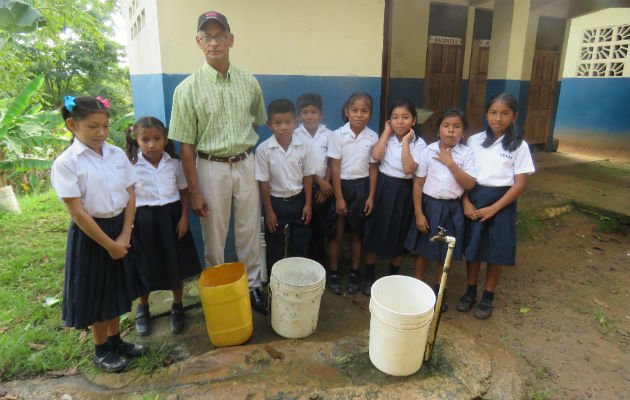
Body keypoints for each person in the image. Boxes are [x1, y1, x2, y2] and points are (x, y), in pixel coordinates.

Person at [168, 11, 268, 314]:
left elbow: (258, 120)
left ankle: (253, 288)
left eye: (220, 35)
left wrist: (241, 148)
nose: (214, 42)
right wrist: (195, 190)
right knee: (214, 234)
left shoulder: (249, 83)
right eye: (207, 36)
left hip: (245, 162)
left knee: (250, 229)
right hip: (210, 166)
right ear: (198, 42)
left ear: (231, 40)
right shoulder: (186, 89)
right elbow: (185, 148)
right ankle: (218, 293)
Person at [51, 95, 147, 373]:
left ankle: (117, 340)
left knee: (118, 288)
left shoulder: (116, 153)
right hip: (92, 234)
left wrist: (126, 235)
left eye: (105, 126)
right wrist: (109, 244)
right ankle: (101, 348)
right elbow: (77, 212)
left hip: (121, 227)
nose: (101, 133)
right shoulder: (67, 163)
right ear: (72, 125)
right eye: (93, 127)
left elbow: (130, 193)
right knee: (98, 292)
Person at [457, 93, 535, 319]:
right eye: (493, 113)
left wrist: (495, 208)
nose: (498, 119)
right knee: (474, 249)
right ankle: (470, 291)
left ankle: (488, 295)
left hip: (502, 202)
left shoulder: (519, 146)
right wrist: (465, 201)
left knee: (496, 251)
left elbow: (519, 184)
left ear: (514, 116)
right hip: (475, 197)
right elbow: (464, 175)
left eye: (504, 113)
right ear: (486, 114)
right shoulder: (474, 141)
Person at [125, 117, 201, 336]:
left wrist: (184, 218)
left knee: (174, 262)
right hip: (144, 220)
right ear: (136, 140)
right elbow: (128, 198)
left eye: (157, 139)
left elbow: (184, 192)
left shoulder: (174, 163)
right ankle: (143, 307)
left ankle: (177, 306)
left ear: (165, 139)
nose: (151, 144)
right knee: (145, 264)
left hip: (172, 216)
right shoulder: (132, 165)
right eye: (145, 139)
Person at [404, 108, 476, 310]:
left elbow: (469, 184)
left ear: (463, 132)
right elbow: (418, 184)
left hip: (453, 208)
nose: (451, 131)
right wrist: (419, 213)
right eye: (446, 126)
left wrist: (450, 163)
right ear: (438, 131)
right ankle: (417, 288)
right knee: (423, 250)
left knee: (445, 252)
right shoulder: (428, 151)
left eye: (456, 126)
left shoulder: (467, 154)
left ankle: (439, 290)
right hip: (429, 205)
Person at [362, 99, 425, 296]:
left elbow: (408, 168)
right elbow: (376, 156)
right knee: (375, 228)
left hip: (404, 190)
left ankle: (393, 277)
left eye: (405, 117)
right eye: (395, 118)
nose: (400, 122)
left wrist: (405, 142)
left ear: (413, 121)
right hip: (384, 186)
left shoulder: (419, 143)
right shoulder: (386, 138)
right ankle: (369, 276)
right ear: (389, 121)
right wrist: (386, 132)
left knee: (399, 231)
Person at [326, 92, 379, 295]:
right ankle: (334, 272)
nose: (359, 115)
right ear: (347, 112)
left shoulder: (373, 137)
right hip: (341, 187)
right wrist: (339, 197)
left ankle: (355, 272)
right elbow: (335, 167)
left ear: (370, 115)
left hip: (362, 188)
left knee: (358, 233)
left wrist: (371, 196)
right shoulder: (337, 135)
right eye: (355, 110)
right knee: (337, 233)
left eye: (364, 111)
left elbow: (373, 168)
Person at [255, 99, 316, 273]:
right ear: (269, 125)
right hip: (275, 203)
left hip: (299, 200)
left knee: (301, 245)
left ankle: (298, 281)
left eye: (288, 122)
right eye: (278, 123)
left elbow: (308, 176)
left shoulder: (304, 146)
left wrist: (308, 205)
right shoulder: (263, 150)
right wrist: (269, 212)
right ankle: (276, 285)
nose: (283, 127)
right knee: (275, 248)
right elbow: (263, 183)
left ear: (296, 121)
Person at [293, 93, 334, 267]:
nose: (309, 116)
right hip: (304, 188)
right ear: (299, 116)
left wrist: (327, 184)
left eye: (313, 112)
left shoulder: (329, 134)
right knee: (305, 225)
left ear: (321, 114)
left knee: (321, 226)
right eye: (305, 112)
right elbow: (300, 164)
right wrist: (319, 180)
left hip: (325, 189)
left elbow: (332, 161)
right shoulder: (295, 135)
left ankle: (319, 260)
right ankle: (305, 261)